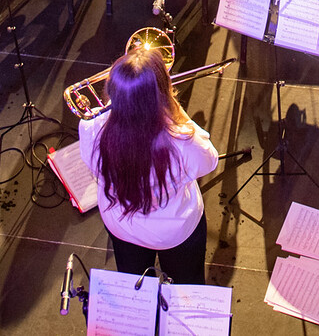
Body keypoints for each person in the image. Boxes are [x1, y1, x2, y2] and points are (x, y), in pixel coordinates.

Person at [79, 46, 219, 283]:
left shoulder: (90, 126)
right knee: (186, 284)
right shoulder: (184, 141)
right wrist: (174, 108)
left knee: (134, 284)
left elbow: (93, 166)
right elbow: (210, 162)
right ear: (161, 95)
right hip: (174, 233)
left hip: (121, 226)